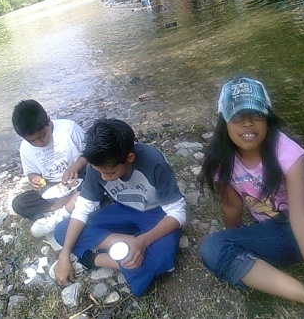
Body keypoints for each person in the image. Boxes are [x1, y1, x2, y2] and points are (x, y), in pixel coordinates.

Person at [198, 77, 304, 318]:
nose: (247, 123)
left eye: (256, 115)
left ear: (268, 119)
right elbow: (231, 206)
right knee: (213, 247)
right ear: (224, 121)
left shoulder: (285, 149)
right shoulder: (222, 160)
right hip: (283, 234)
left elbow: (300, 217)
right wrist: (236, 240)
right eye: (237, 116)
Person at [52, 118, 187, 296]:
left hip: (157, 214)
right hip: (123, 210)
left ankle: (91, 259)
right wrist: (64, 255)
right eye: (99, 172)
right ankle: (124, 252)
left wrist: (143, 241)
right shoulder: (96, 167)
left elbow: (178, 212)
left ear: (129, 158)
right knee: (62, 230)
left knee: (164, 259)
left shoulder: (154, 162)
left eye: (110, 173)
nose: (104, 177)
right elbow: (83, 209)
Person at [11, 99, 88, 238]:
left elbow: (91, 154)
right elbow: (32, 172)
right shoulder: (25, 148)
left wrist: (75, 166)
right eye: (32, 141)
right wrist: (34, 179)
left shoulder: (68, 129)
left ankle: (61, 211)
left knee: (95, 173)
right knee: (19, 203)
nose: (39, 143)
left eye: (42, 136)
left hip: (79, 177)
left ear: (48, 121)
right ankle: (66, 206)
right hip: (53, 187)